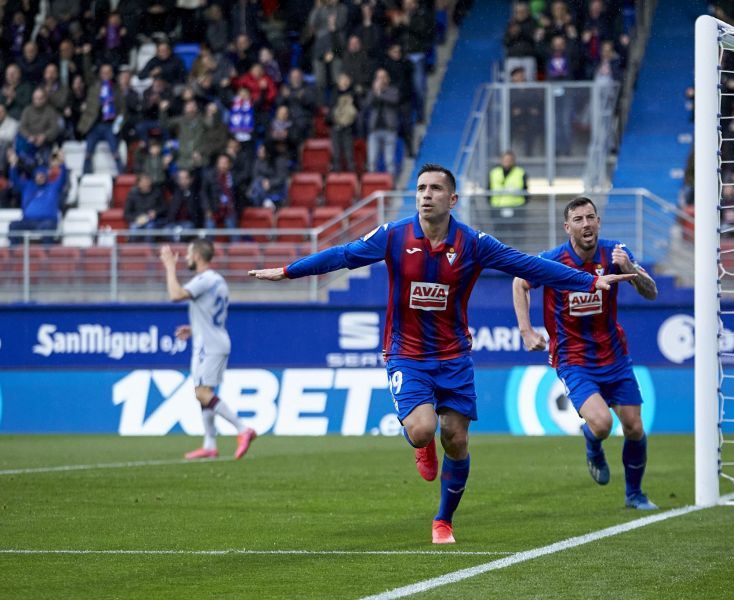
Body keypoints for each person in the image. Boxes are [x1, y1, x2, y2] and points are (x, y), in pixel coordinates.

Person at [249, 164, 634, 543]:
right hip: (407, 352)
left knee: (456, 438)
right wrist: (289, 270)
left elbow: (529, 266)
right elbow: (343, 255)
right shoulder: (394, 236)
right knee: (422, 431)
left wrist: (589, 280)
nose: (426, 195)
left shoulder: (473, 243)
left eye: (434, 189)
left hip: (453, 356)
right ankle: (422, 447)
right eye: (421, 189)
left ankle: (443, 521)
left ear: (452, 199)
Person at [511, 196, 659, 511]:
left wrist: (630, 269)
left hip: (614, 355)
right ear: (568, 228)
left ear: (598, 222)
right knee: (602, 424)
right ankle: (593, 443)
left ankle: (634, 495)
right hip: (573, 359)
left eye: (591, 217)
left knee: (634, 427)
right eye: (578, 219)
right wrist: (526, 331)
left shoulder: (615, 253)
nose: (586, 224)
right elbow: (519, 282)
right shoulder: (552, 261)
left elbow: (651, 292)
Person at [159, 240, 257, 460]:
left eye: (188, 254)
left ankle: (243, 429)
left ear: (197, 256)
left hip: (209, 346)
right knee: (203, 393)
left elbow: (175, 295)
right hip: (213, 340)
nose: (186, 258)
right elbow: (211, 314)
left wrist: (170, 267)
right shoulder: (218, 280)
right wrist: (194, 328)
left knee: (202, 393)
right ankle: (210, 444)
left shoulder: (204, 280)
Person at [6, 149, 67, 244]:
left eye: (42, 175)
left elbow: (63, 178)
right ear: (35, 176)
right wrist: (13, 165)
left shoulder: (53, 186)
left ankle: (46, 252)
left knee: (48, 227)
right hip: (28, 221)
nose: (40, 177)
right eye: (38, 175)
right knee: (13, 225)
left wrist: (62, 163)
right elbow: (15, 180)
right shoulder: (27, 186)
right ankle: (14, 251)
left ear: (46, 176)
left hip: (47, 221)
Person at [487, 150, 528, 243]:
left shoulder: (520, 172)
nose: (507, 162)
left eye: (509, 160)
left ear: (513, 161)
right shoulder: (494, 172)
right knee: (499, 234)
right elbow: (488, 188)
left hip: (516, 207)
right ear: (501, 160)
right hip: (497, 207)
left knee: (517, 233)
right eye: (505, 160)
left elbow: (525, 190)